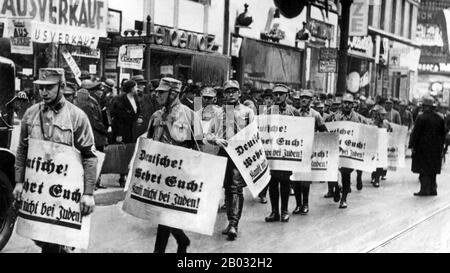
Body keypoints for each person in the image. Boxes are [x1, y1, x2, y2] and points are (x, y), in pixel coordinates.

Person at [13, 68, 97, 253]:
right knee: (43, 240)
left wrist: (88, 193)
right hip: (39, 193)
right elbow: (22, 150)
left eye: (49, 87)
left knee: (56, 243)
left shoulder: (77, 117)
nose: (44, 92)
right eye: (41, 87)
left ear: (62, 86)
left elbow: (90, 157)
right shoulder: (31, 114)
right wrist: (19, 182)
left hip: (66, 193)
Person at [148, 77, 202, 253]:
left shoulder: (190, 115)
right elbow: (148, 142)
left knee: (166, 213)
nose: (157, 95)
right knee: (163, 212)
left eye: (161, 92)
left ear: (174, 93)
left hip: (179, 174)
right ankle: (182, 239)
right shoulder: (156, 115)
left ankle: (160, 250)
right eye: (157, 91)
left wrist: (192, 173)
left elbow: (198, 146)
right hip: (158, 172)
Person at [206, 80, 255, 241]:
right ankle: (230, 222)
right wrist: (216, 140)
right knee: (226, 188)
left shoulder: (247, 112)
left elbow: (254, 134)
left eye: (234, 91)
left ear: (239, 93)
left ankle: (234, 224)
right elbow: (208, 133)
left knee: (235, 188)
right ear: (224, 95)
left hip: (240, 154)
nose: (231, 94)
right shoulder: (218, 113)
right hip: (223, 153)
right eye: (228, 91)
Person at [325, 93, 368, 209]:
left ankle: (344, 198)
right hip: (336, 149)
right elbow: (326, 126)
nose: (347, 105)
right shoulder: (334, 117)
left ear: (353, 105)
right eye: (345, 103)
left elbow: (366, 130)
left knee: (345, 175)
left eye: (349, 103)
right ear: (341, 104)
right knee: (332, 172)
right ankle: (336, 188)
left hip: (349, 151)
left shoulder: (358, 119)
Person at [264, 84, 299, 223]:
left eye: (281, 94)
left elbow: (300, 131)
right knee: (272, 182)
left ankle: (284, 210)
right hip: (272, 151)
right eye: (276, 94)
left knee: (285, 182)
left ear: (286, 96)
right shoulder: (267, 112)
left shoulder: (293, 112)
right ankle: (274, 211)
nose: (278, 96)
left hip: (286, 152)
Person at [291, 90, 327, 215]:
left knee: (305, 180)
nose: (303, 100)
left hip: (309, 150)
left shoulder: (316, 115)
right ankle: (298, 204)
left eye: (306, 98)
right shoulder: (294, 113)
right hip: (295, 150)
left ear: (311, 101)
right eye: (302, 98)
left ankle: (305, 204)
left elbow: (324, 132)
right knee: (295, 179)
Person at [409, 95, 446, 196]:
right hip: (436, 149)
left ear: (425, 106)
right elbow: (443, 134)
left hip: (423, 149)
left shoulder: (421, 117)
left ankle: (424, 190)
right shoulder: (440, 118)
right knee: (433, 170)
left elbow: (416, 133)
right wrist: (441, 147)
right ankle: (433, 189)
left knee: (424, 170)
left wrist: (412, 145)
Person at [110, 80, 143, 187]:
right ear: (131, 88)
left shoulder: (136, 99)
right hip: (123, 129)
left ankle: (129, 175)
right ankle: (122, 176)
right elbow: (118, 118)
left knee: (131, 152)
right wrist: (119, 134)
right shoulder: (120, 99)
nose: (137, 89)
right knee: (124, 153)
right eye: (135, 87)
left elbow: (138, 112)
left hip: (133, 130)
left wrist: (138, 118)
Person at [74, 88, 108, 190]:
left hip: (85, 137)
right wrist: (105, 130)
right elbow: (95, 122)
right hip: (95, 136)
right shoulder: (89, 105)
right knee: (95, 159)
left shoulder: (77, 105)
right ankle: (95, 182)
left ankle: (94, 183)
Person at [371, 105, 391, 188]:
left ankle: (377, 180)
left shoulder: (386, 123)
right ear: (378, 115)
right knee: (373, 162)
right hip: (374, 146)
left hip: (382, 146)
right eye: (382, 115)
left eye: (384, 115)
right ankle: (373, 176)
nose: (384, 116)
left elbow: (390, 131)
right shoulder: (373, 123)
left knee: (380, 163)